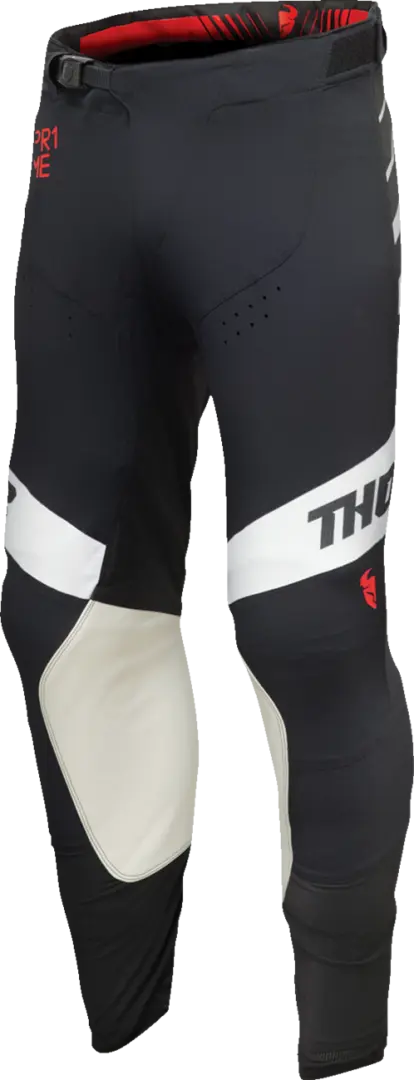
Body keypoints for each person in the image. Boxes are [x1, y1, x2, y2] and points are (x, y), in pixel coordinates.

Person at [6, 2, 412, 1071]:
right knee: (67, 613)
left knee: (311, 622)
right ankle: (121, 1031)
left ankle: (345, 1051)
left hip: (293, 119)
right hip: (81, 132)